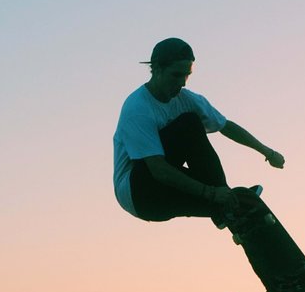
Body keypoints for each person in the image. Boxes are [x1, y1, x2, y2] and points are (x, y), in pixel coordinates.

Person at [113, 37, 284, 232]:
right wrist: (211, 192)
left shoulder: (187, 99)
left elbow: (226, 126)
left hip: (164, 188)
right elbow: (158, 170)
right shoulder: (137, 110)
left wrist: (267, 152)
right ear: (157, 69)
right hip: (140, 193)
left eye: (186, 76)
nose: (181, 84)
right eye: (176, 75)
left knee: (192, 122)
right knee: (189, 124)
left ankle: (225, 209)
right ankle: (222, 204)